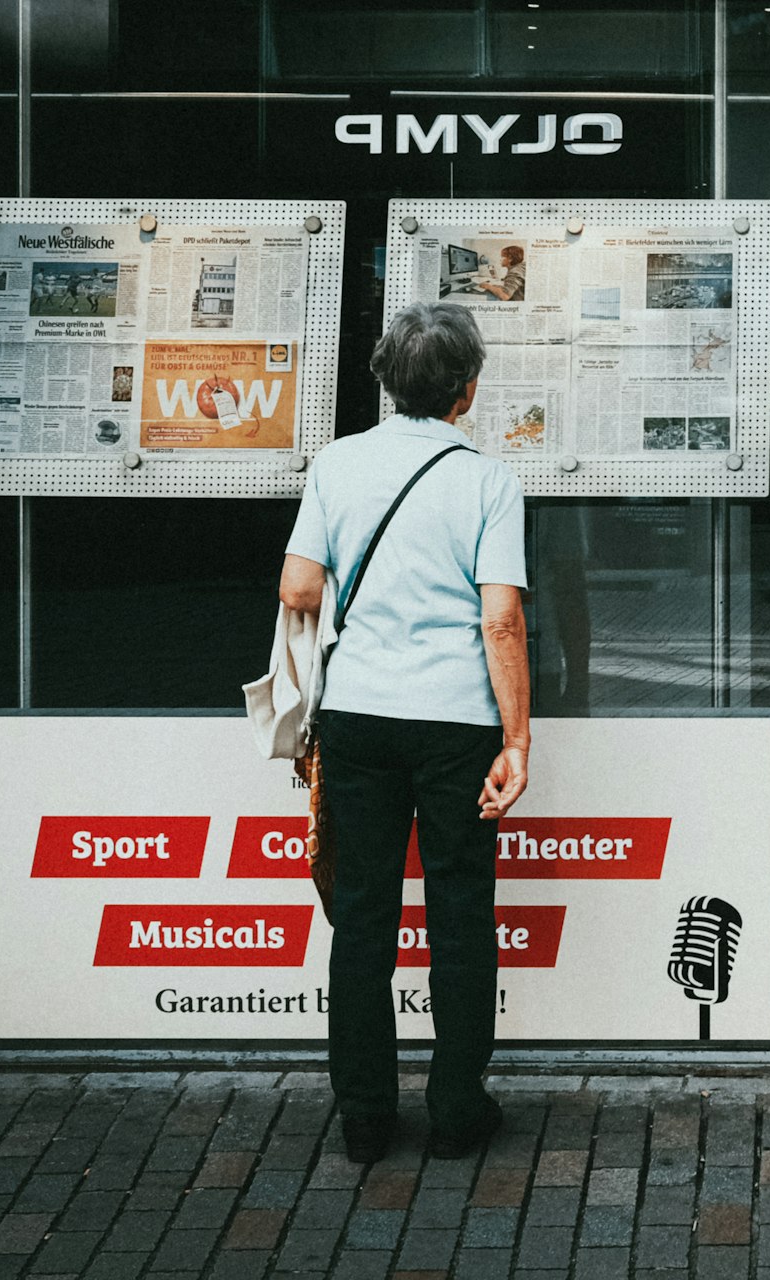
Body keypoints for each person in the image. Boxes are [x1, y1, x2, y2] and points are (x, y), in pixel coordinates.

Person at [278, 301, 531, 1165]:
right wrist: (518, 741)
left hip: (359, 716)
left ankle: (364, 1116)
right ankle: (457, 1110)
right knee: (460, 911)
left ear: (386, 380)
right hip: (458, 723)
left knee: (362, 916)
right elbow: (501, 620)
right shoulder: (489, 482)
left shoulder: (338, 463)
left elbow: (298, 588)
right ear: (468, 388)